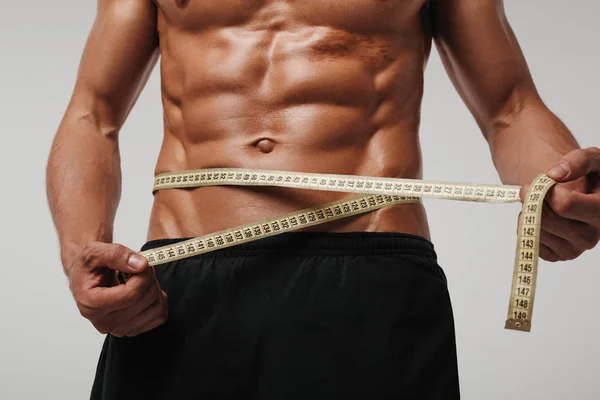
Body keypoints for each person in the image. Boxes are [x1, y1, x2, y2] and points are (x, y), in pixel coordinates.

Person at [46, 0, 600, 398]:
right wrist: (80, 252)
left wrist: (557, 185)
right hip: (180, 280)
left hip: (370, 274)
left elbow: (512, 107)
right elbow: (92, 115)